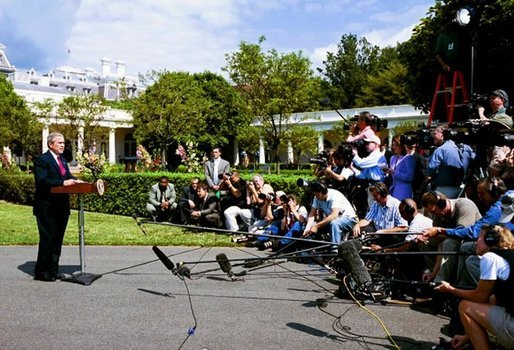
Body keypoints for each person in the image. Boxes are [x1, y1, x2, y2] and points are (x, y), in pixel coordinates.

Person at [435, 225, 514, 350]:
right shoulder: (508, 257)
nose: (476, 242)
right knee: (492, 300)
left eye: (480, 238)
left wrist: (450, 289)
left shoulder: (490, 258)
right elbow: (489, 299)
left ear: (490, 240)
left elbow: (479, 296)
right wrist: (467, 336)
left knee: (465, 306)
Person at [33, 132, 82, 282]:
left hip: (61, 207)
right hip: (47, 208)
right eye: (59, 143)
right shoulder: (42, 160)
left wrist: (76, 181)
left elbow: (66, 177)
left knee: (57, 240)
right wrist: (63, 183)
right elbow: (42, 181)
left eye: (63, 143)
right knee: (48, 239)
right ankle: (42, 272)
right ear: (50, 144)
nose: (62, 145)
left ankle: (53, 270)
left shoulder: (62, 160)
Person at [419, 190, 482, 284]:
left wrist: (439, 230)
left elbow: (463, 234)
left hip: (476, 242)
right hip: (458, 244)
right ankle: (438, 279)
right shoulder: (438, 216)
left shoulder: (464, 205)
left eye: (434, 211)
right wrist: (434, 272)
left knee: (449, 243)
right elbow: (440, 245)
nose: (434, 214)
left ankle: (447, 283)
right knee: (425, 242)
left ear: (442, 204)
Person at [427, 124, 475, 198]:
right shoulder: (466, 148)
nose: (433, 136)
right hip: (462, 190)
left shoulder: (440, 150)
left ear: (442, 134)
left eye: (435, 133)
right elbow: (474, 160)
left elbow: (431, 170)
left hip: (443, 191)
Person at [302, 182, 357, 246]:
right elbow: (311, 214)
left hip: (349, 219)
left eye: (317, 195)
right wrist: (308, 228)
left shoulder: (334, 195)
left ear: (323, 192)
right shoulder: (316, 197)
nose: (316, 197)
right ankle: (313, 248)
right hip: (334, 220)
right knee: (312, 225)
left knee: (334, 223)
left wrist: (317, 226)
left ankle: (335, 248)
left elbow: (334, 215)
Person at [350, 134, 387, 218]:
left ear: (376, 144)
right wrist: (351, 168)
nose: (366, 145)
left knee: (378, 211)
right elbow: (363, 175)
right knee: (372, 209)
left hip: (378, 186)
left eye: (369, 143)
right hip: (371, 186)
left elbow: (361, 163)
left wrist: (355, 154)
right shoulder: (371, 156)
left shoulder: (377, 155)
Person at [385, 135, 415, 201]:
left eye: (396, 145)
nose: (394, 147)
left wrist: (394, 172)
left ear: (402, 146)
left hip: (404, 190)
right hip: (393, 189)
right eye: (393, 145)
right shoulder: (392, 158)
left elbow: (409, 177)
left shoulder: (408, 158)